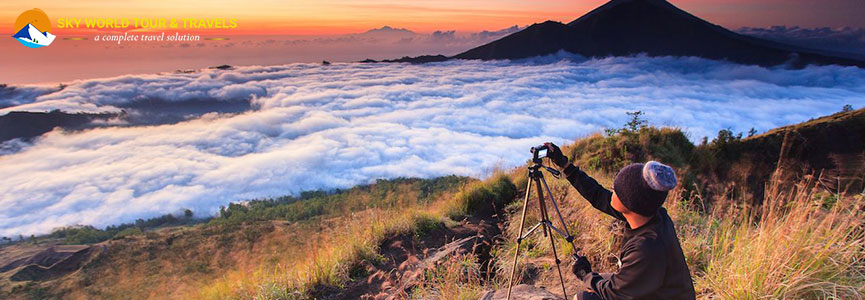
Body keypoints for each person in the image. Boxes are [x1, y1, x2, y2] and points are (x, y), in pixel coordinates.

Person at [543, 142, 696, 300]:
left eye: (616, 190)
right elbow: (597, 196)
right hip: (657, 289)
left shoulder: (646, 247)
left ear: (629, 203)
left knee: (584, 297)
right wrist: (564, 164)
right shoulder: (651, 215)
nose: (612, 192)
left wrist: (586, 275)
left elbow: (613, 294)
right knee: (599, 282)